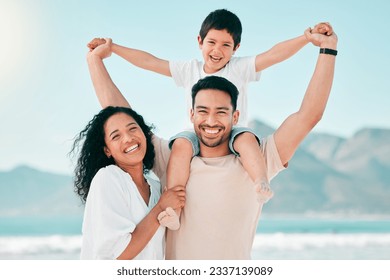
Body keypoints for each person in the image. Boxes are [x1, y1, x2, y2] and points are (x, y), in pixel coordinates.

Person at [86, 25, 337, 259]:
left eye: (221, 112)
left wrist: (327, 50)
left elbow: (308, 116)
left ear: (235, 116)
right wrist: (95, 61)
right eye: (203, 111)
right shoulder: (172, 158)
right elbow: (120, 114)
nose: (211, 120)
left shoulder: (259, 158)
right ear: (191, 114)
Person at [70, 106, 185, 259]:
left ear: (144, 134)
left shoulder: (156, 187)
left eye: (132, 129)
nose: (128, 138)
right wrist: (161, 207)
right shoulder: (108, 178)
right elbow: (120, 255)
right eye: (116, 136)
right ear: (107, 150)